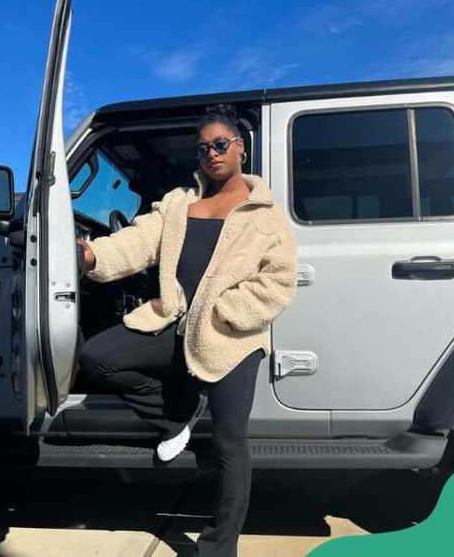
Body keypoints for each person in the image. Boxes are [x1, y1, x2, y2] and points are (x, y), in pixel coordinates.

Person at [76, 103, 298, 557]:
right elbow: (137, 241)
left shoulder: (264, 212)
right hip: (173, 320)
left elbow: (278, 281)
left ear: (240, 148)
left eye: (220, 144)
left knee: (230, 441)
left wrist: (225, 312)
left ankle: (219, 548)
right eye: (203, 148)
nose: (212, 154)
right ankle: (175, 415)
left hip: (230, 338)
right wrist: (93, 257)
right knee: (98, 357)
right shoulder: (179, 204)